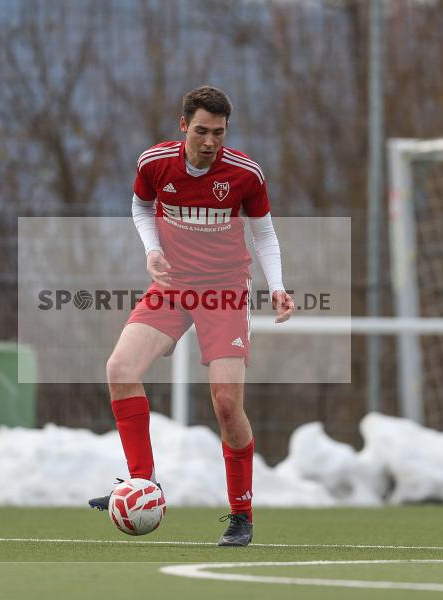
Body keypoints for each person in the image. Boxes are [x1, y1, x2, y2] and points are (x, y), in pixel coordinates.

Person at [89, 86, 294, 547]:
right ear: (184, 125)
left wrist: (277, 287)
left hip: (224, 292)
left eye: (218, 133)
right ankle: (143, 482)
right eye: (201, 131)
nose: (209, 142)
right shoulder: (154, 163)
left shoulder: (244, 174)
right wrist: (153, 250)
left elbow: (264, 234)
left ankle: (241, 514)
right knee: (120, 369)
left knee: (225, 403)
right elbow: (141, 206)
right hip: (172, 286)